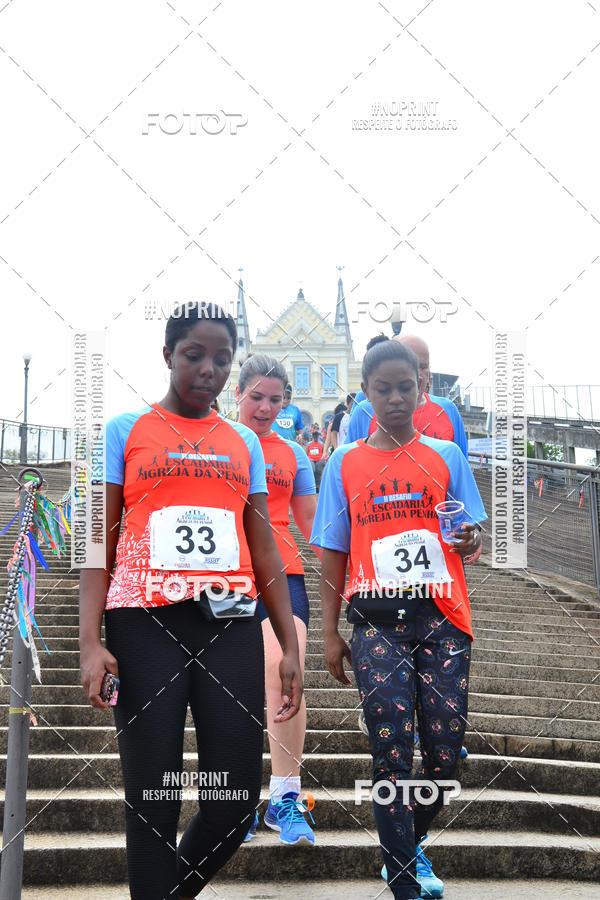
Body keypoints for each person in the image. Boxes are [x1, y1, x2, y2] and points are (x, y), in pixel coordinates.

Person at [79, 302, 303, 900]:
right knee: (152, 796)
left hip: (228, 621)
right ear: (168, 356)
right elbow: (98, 538)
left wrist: (286, 644)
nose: (209, 369)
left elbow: (264, 549)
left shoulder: (241, 444)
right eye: (194, 355)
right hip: (143, 621)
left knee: (233, 799)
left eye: (222, 360)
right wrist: (89, 640)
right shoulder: (126, 429)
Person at [310, 339, 486, 900]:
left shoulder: (446, 457)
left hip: (441, 615)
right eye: (382, 389)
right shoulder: (344, 462)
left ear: (422, 389)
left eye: (404, 387)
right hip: (376, 621)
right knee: (391, 753)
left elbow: (471, 535)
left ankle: (406, 849)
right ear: (365, 393)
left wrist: (469, 538)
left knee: (443, 753)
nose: (394, 398)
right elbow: (333, 550)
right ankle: (404, 879)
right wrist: (329, 631)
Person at [235, 353, 322, 846]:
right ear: (238, 394)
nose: (266, 408)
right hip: (227, 577)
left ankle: (286, 798)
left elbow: (312, 525)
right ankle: (234, 802)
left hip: (284, 574)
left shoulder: (293, 453)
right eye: (257, 397)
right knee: (229, 687)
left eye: (275, 399)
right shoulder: (218, 442)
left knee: (286, 672)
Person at [346, 335, 468, 458]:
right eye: (408, 366)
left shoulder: (447, 409)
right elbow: (349, 463)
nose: (418, 375)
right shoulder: (364, 412)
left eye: (423, 367)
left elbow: (460, 466)